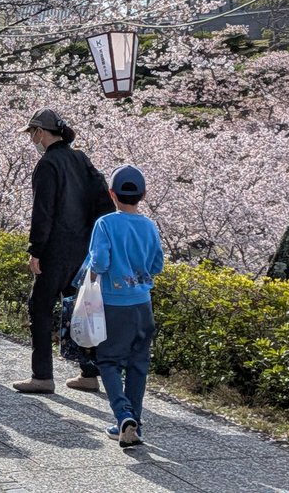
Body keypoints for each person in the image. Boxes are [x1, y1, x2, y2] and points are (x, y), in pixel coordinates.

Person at [13, 108, 114, 395]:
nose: (32, 138)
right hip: (83, 247)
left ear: (41, 133)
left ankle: (42, 376)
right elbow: (103, 200)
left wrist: (35, 250)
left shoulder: (48, 165)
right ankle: (89, 372)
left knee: (40, 307)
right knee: (80, 307)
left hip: (55, 248)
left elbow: (42, 212)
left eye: (32, 133)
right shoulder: (80, 158)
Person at [89, 165, 164, 447]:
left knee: (108, 361)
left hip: (114, 304)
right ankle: (135, 423)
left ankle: (123, 415)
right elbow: (157, 264)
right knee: (138, 364)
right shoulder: (149, 226)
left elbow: (100, 262)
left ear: (112, 193)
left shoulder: (105, 224)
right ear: (143, 195)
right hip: (143, 304)